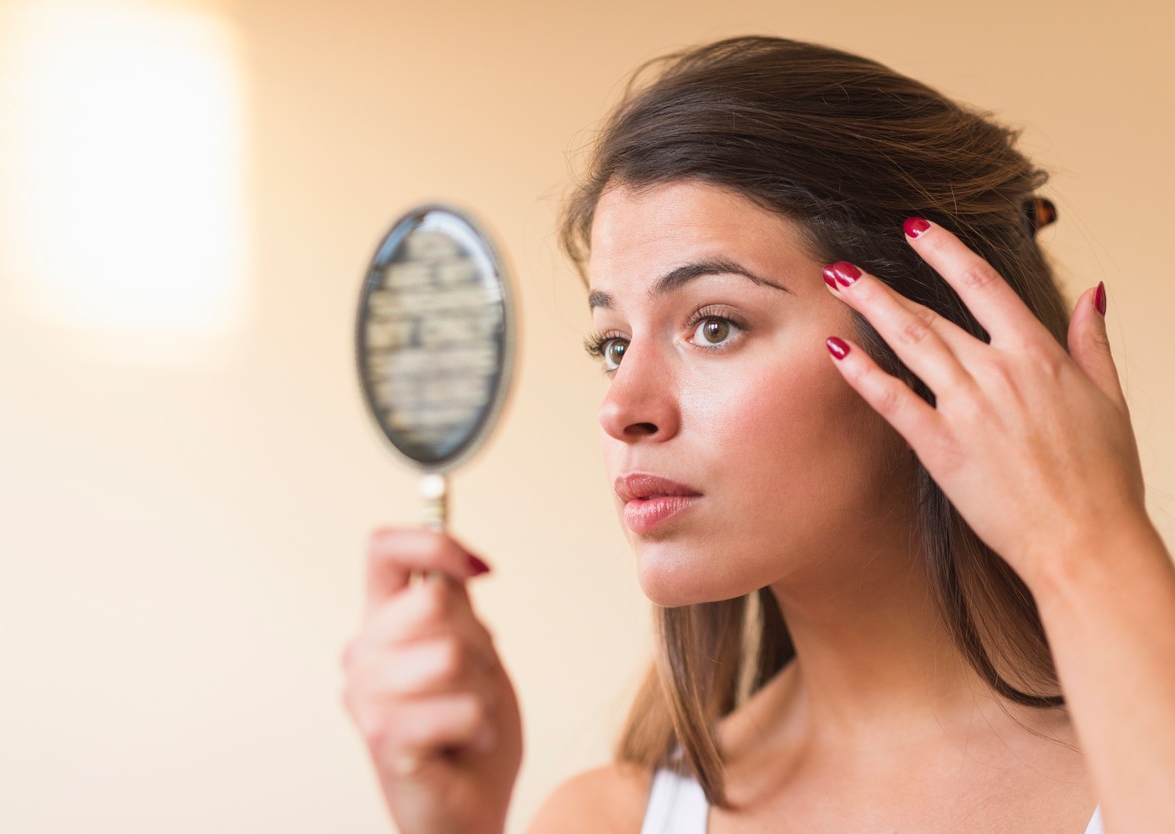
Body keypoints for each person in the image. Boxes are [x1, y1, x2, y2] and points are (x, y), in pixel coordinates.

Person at [342, 36, 1175, 834]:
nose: (622, 406)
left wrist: (1088, 541)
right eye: (613, 345)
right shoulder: (607, 821)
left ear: (934, 337)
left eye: (713, 326)